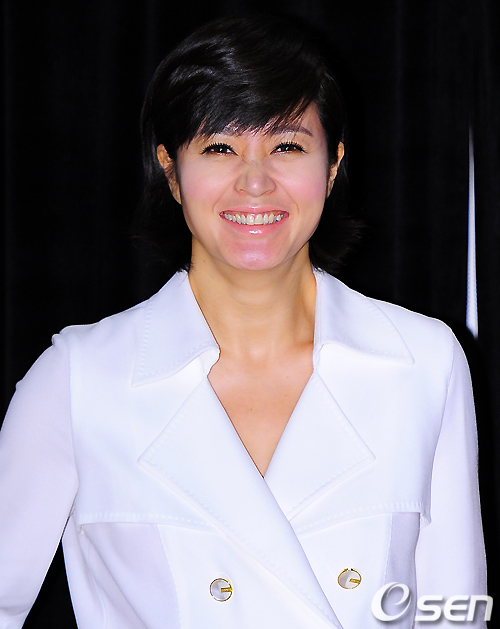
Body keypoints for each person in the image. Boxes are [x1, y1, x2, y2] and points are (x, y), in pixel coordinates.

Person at [0, 14, 487, 629]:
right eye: (219, 148)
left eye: (287, 147)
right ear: (171, 171)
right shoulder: (80, 380)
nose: (255, 182)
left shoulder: (423, 361)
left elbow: (457, 613)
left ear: (332, 165)